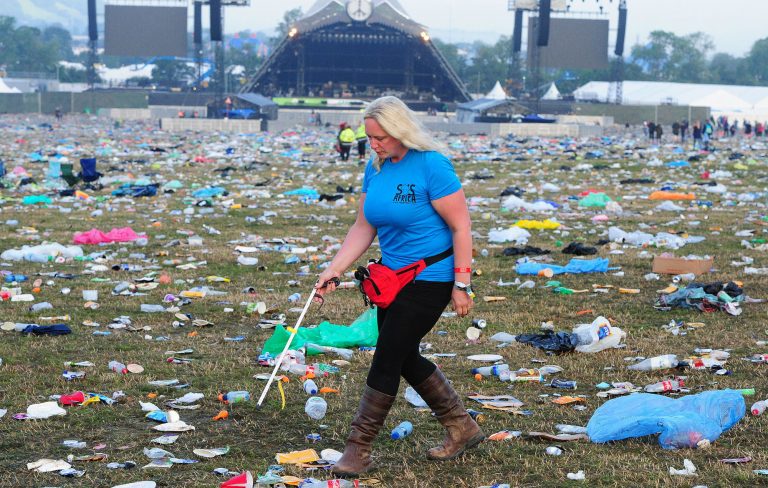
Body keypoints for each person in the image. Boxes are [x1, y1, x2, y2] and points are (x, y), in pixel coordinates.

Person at [315, 96, 482, 477]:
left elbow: (461, 226)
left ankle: (358, 449)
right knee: (402, 354)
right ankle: (462, 426)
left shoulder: (432, 165)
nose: (373, 145)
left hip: (431, 278)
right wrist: (333, 270)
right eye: (370, 137)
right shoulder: (374, 169)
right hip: (389, 281)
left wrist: (462, 283)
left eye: (381, 138)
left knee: (388, 355)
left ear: (400, 130)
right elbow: (363, 227)